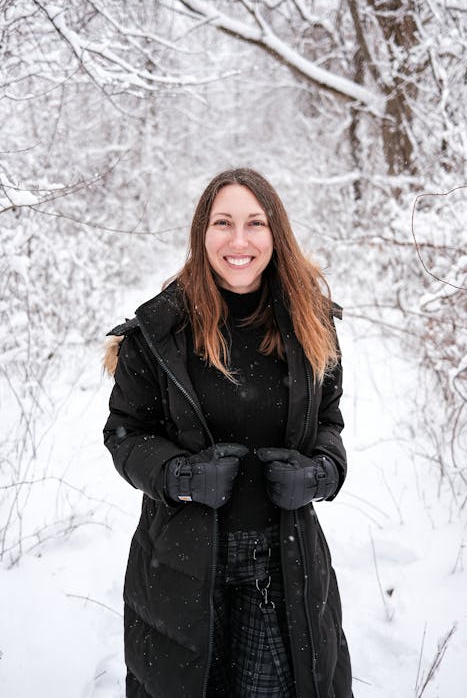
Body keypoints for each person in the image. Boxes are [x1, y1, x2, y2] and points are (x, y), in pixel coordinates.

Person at [103, 168, 353, 698]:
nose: (239, 241)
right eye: (223, 223)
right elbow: (126, 433)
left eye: (254, 223)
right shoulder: (159, 332)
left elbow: (329, 423)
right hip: (182, 566)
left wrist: (322, 473)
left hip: (283, 566)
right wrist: (180, 475)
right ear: (202, 233)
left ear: (275, 233)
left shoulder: (311, 324)